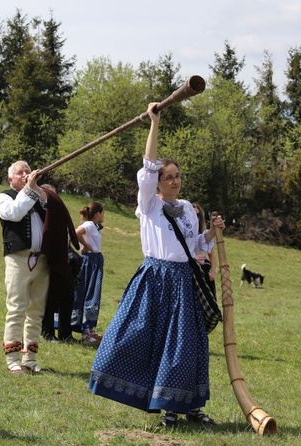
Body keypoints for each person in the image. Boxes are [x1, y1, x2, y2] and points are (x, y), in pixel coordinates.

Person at [88, 103, 225, 428]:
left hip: (184, 281)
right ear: (157, 182)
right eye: (168, 177)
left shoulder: (189, 209)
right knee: (137, 337)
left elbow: (197, 248)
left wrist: (213, 232)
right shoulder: (148, 205)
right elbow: (149, 165)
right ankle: (166, 408)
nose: (175, 181)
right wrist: (154, 122)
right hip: (154, 279)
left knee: (187, 344)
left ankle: (190, 407)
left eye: (178, 176)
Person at [0, 161, 49, 374]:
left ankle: (30, 358)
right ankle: (12, 359)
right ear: (11, 179)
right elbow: (15, 213)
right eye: (20, 173)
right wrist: (30, 189)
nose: (26, 174)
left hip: (41, 259)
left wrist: (36, 188)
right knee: (17, 308)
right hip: (18, 259)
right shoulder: (4, 197)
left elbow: (52, 209)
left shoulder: (37, 196)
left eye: (28, 171)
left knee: (36, 311)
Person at [40, 184, 80, 343]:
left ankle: (66, 333)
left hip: (65, 259)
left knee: (68, 297)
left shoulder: (59, 214)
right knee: (50, 298)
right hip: (51, 260)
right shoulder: (43, 214)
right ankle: (48, 332)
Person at [71, 202, 105, 345]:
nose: (104, 216)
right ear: (98, 214)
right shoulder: (89, 225)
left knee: (93, 294)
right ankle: (85, 332)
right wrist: (85, 246)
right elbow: (77, 232)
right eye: (103, 213)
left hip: (95, 261)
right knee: (88, 294)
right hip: (90, 261)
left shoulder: (93, 227)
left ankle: (89, 329)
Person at [192, 203, 217, 298]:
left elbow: (212, 255)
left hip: (203, 275)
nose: (195, 218)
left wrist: (213, 273)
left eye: (198, 215)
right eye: (193, 215)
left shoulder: (202, 236)